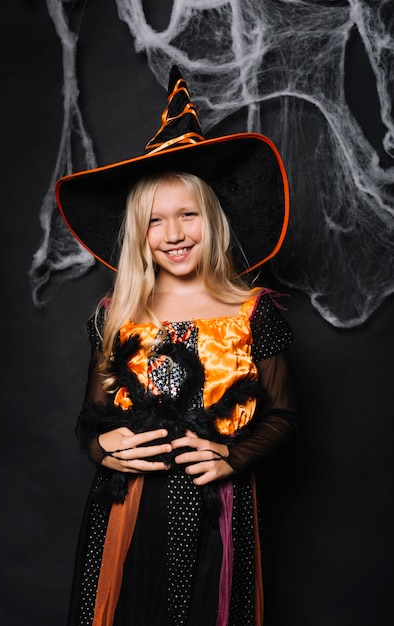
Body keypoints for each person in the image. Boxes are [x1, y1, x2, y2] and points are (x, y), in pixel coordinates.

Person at [56, 66, 299, 626]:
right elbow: (88, 420)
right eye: (155, 222)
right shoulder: (114, 316)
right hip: (123, 511)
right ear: (139, 235)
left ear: (211, 221)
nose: (173, 234)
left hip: (217, 510)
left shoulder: (251, 311)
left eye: (187, 215)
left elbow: (284, 416)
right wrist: (102, 448)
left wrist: (232, 457)